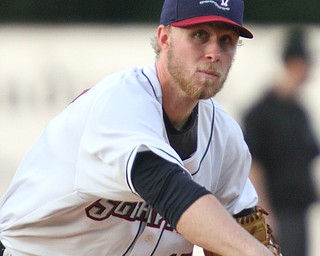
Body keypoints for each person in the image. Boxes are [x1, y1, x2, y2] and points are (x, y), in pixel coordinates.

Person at [0, 0, 280, 255]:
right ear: (164, 38)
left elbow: (239, 226)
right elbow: (168, 189)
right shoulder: (120, 103)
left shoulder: (225, 138)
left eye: (226, 40)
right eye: (200, 35)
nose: (214, 53)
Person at [243, 27, 320, 256]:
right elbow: (253, 164)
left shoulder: (299, 111)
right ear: (295, 63)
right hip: (277, 212)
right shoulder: (260, 112)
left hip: (299, 211)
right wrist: (264, 214)